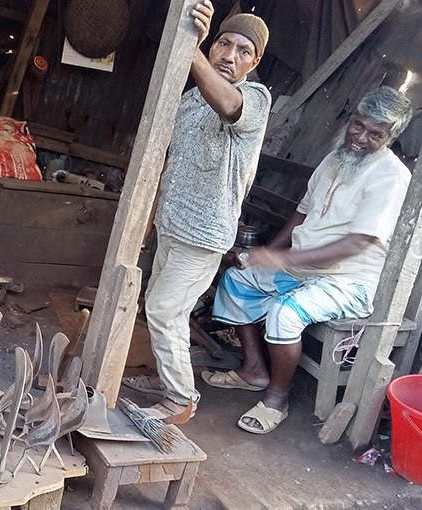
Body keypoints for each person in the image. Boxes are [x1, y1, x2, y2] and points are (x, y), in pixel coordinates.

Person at [203, 86, 414, 434]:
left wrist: (282, 259)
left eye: (375, 134)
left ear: (390, 137)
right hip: (301, 268)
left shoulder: (392, 176)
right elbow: (301, 214)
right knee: (237, 280)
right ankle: (254, 370)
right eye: (358, 125)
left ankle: (277, 399)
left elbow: (358, 242)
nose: (361, 138)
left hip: (349, 280)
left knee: (284, 313)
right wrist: (265, 254)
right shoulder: (334, 160)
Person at [122, 3, 272, 422]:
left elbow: (228, 104)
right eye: (224, 44)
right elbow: (168, 164)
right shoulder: (191, 99)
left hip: (203, 235)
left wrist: (190, 48)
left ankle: (180, 398)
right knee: (161, 305)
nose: (229, 55)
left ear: (254, 62)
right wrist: (148, 224)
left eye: (243, 51)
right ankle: (168, 377)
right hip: (172, 225)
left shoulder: (255, 99)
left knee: (165, 310)